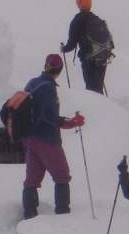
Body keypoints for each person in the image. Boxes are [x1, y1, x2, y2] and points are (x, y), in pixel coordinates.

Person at [21, 53, 85, 219]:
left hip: (29, 138)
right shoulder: (48, 88)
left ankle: (29, 216)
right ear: (60, 70)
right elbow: (49, 117)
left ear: (45, 66)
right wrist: (71, 122)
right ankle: (63, 215)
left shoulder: (32, 83)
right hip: (47, 139)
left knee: (32, 179)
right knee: (62, 175)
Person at [61, 0, 113, 94]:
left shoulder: (77, 20)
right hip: (102, 56)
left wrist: (64, 48)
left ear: (79, 4)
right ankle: (104, 106)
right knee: (98, 87)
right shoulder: (96, 18)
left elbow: (71, 44)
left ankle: (95, 108)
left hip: (89, 58)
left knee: (92, 90)